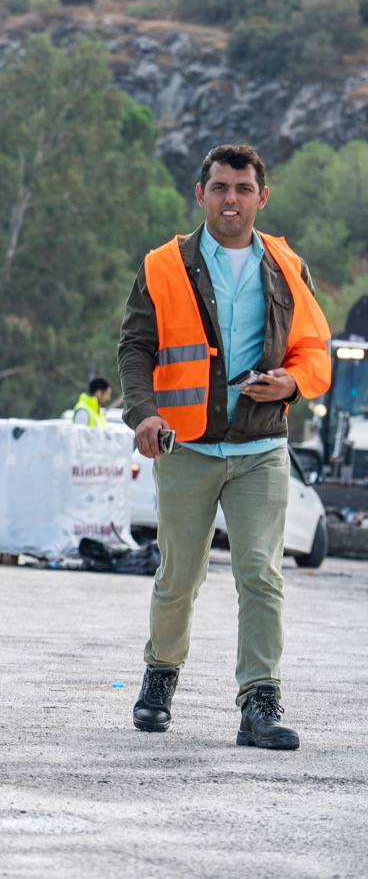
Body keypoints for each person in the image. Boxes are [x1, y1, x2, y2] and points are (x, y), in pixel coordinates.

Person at [119, 143, 330, 751]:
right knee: (179, 576)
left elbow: (313, 349)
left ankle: (259, 702)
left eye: (242, 189)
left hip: (261, 445)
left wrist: (292, 381)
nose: (230, 199)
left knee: (261, 574)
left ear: (261, 197)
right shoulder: (162, 265)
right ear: (201, 195)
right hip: (184, 446)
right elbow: (136, 348)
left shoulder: (288, 267)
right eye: (219, 188)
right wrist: (145, 413)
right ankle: (160, 678)